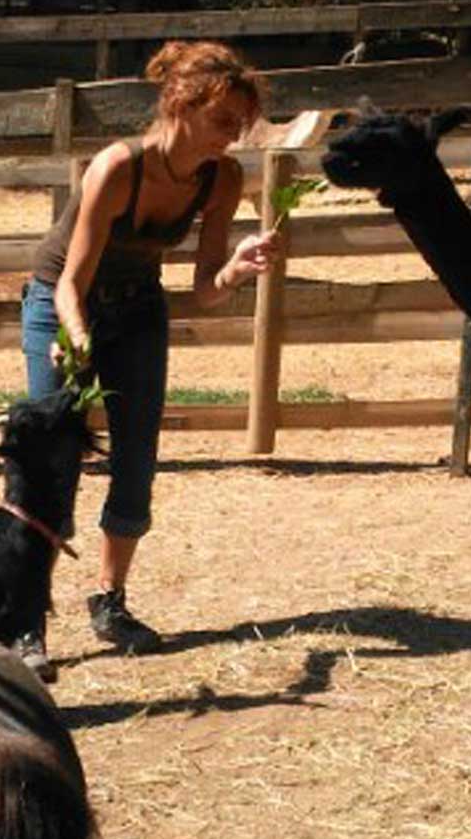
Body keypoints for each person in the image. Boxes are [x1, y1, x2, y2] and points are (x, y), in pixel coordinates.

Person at [16, 40, 280, 678]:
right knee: (55, 459)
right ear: (181, 104)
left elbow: (201, 292)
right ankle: (27, 620)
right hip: (62, 306)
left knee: (136, 457)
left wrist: (236, 272)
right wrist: (75, 337)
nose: (233, 136)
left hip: (138, 308)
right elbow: (70, 283)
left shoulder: (223, 178)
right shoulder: (116, 167)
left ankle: (110, 601)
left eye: (240, 127)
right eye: (223, 121)